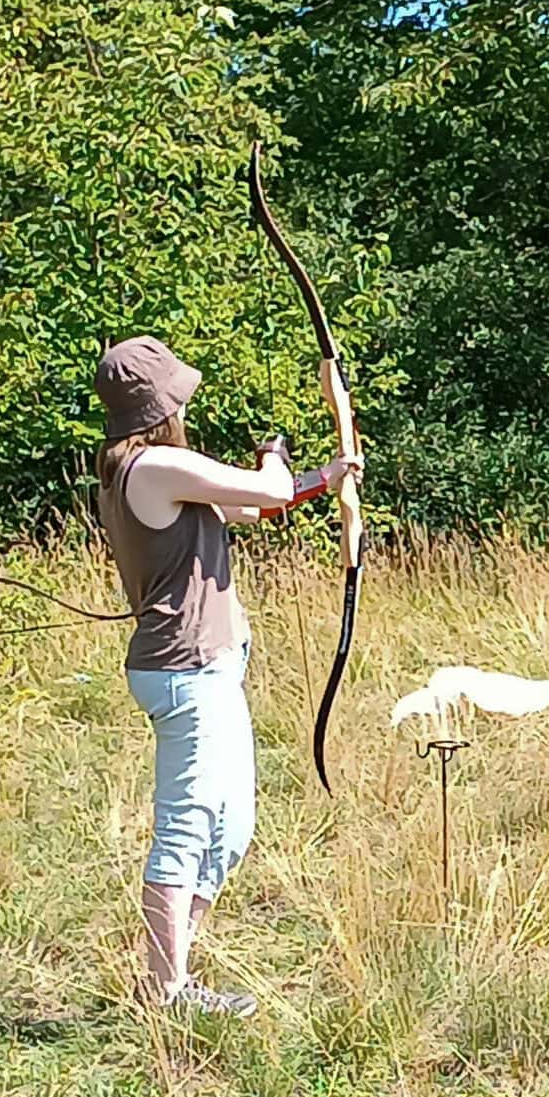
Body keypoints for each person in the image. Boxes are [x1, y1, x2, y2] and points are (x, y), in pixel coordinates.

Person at [93, 334, 361, 1015]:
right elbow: (265, 486)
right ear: (161, 405)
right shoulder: (152, 466)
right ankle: (167, 989)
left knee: (231, 827)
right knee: (186, 828)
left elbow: (254, 506)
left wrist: (324, 481)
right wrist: (277, 454)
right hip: (185, 672)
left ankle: (172, 972)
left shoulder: (154, 471)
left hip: (206, 669)